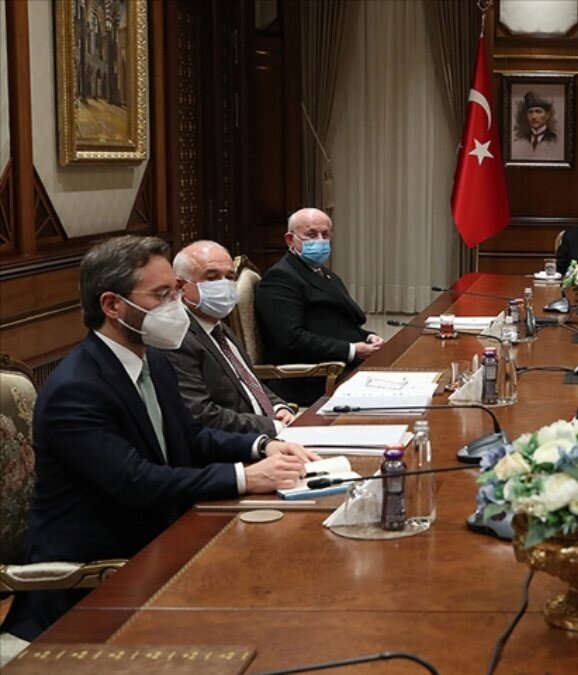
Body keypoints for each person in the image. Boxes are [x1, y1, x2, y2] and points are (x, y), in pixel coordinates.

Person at [3, 235, 318, 641]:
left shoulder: (155, 362)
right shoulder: (77, 388)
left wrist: (262, 446)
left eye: (176, 291)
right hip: (95, 582)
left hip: (160, 544)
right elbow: (137, 480)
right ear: (112, 305)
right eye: (161, 295)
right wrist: (246, 477)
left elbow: (191, 436)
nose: (176, 305)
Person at [165, 240, 294, 435]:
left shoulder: (216, 325)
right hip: (240, 442)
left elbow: (249, 382)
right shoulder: (177, 338)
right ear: (181, 286)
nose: (224, 285)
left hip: (268, 430)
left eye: (229, 277)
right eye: (212, 277)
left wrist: (278, 408)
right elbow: (201, 414)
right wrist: (273, 426)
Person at [255, 208, 383, 405]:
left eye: (325, 235)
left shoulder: (322, 272)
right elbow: (292, 339)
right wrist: (351, 350)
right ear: (290, 240)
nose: (321, 241)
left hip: (340, 365)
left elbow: (338, 320)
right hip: (312, 378)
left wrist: (367, 337)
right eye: (311, 234)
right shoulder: (280, 278)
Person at [511, 91, 560, 161]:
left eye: (538, 111)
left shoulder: (555, 140)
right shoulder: (521, 141)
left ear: (547, 115)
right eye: (530, 112)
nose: (533, 117)